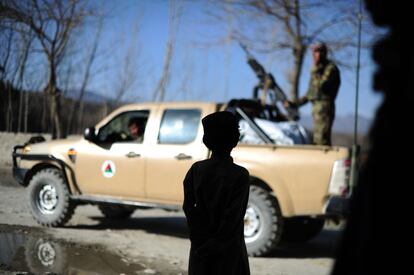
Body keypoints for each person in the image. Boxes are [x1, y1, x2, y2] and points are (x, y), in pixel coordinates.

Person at [182, 111, 250, 275]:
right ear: (235, 140)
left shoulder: (196, 170)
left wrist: (200, 241)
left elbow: (189, 208)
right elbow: (233, 216)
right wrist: (216, 244)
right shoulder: (240, 175)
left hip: (200, 248)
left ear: (206, 141)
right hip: (228, 252)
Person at [287, 42, 341, 145]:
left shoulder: (330, 68)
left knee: (321, 141)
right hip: (316, 110)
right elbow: (310, 94)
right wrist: (294, 103)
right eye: (315, 52)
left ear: (325, 53)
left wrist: (315, 69)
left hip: (324, 108)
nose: (318, 54)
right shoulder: (317, 70)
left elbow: (320, 86)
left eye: (321, 51)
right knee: (316, 141)